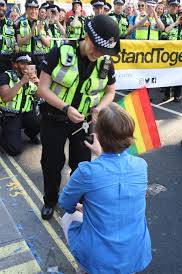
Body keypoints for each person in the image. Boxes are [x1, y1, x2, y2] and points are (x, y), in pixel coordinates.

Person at [38, 14, 120, 220]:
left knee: (82, 166)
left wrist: (99, 108)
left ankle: (76, 202)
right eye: (96, 47)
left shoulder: (106, 63)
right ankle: (50, 200)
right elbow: (42, 89)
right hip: (53, 119)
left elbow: (111, 91)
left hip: (82, 124)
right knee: (52, 163)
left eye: (104, 50)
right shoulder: (59, 51)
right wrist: (65, 108)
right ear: (86, 35)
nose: (98, 53)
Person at [59, 102, 152, 274]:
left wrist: (82, 207)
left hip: (99, 257)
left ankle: (86, 268)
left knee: (68, 217)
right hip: (135, 254)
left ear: (98, 136)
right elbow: (117, 178)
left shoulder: (87, 171)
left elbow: (65, 204)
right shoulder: (141, 165)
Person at [0, 52, 40, 156]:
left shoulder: (32, 77)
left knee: (42, 121)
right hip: (10, 115)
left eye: (28, 63)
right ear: (15, 64)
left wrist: (38, 83)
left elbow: (40, 96)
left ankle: (30, 133)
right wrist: (21, 82)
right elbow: (5, 97)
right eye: (22, 63)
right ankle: (4, 134)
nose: (26, 66)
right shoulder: (6, 76)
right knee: (14, 150)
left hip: (26, 114)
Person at [0, 0, 17, 74]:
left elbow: (18, 44)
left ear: (6, 7)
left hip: (7, 65)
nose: (0, 7)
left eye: (2, 5)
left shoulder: (12, 25)